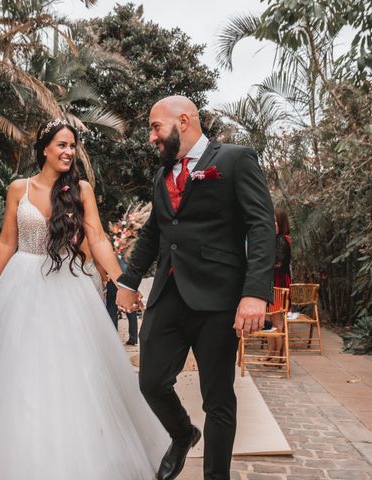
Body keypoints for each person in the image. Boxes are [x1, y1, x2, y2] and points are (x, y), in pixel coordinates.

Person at [0, 120, 169, 480]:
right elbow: (7, 242)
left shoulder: (81, 190)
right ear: (44, 148)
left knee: (73, 369)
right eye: (61, 144)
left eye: (72, 146)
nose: (68, 152)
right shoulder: (18, 188)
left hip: (67, 290)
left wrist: (121, 281)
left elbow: (99, 239)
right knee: (18, 369)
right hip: (20, 287)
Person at [116, 96, 275, 480]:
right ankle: (183, 433)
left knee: (218, 398)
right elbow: (154, 233)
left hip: (219, 300)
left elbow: (261, 225)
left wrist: (255, 293)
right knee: (151, 381)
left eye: (156, 127)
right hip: (169, 295)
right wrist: (129, 280)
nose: (151, 136)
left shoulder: (235, 160)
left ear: (183, 121)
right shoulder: (161, 175)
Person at [265, 208, 292, 359]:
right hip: (273, 283)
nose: (272, 224)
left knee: (276, 321)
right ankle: (272, 353)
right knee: (270, 320)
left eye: (275, 221)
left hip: (278, 285)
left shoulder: (281, 240)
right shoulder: (275, 239)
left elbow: (278, 263)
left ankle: (279, 355)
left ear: (281, 223)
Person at [106, 254, 139, 345]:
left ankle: (114, 338)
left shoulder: (108, 255)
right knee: (130, 310)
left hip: (114, 281)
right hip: (128, 279)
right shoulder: (123, 259)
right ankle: (133, 338)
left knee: (112, 309)